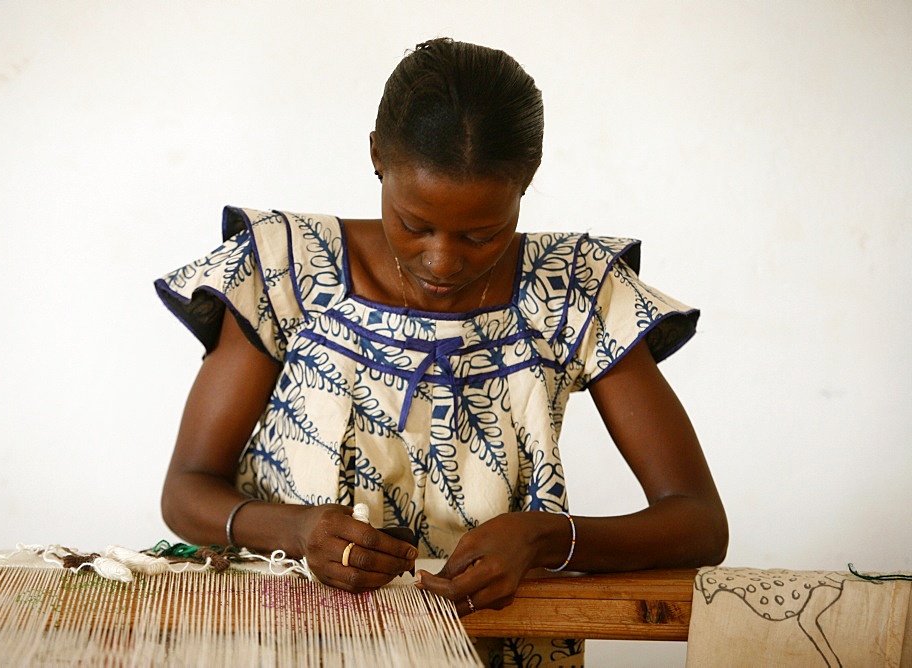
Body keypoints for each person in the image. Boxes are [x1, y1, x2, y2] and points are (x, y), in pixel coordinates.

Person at [155, 37, 727, 665]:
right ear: (377, 155)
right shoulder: (284, 270)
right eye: (414, 224)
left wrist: (544, 538)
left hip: (491, 648)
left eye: (482, 234)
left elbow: (698, 522)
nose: (442, 261)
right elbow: (186, 492)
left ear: (528, 177)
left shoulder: (576, 288)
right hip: (284, 646)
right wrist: (294, 530)